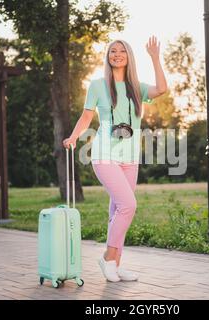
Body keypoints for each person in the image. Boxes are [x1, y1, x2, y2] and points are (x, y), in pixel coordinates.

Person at [63, 36, 167, 282]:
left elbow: (162, 89)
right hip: (105, 154)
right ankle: (108, 258)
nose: (117, 54)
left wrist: (154, 57)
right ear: (107, 57)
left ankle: (116, 265)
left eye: (121, 51)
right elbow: (87, 117)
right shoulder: (98, 84)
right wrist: (73, 136)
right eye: (112, 51)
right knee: (128, 205)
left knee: (118, 210)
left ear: (129, 56)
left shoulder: (137, 87)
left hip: (130, 157)